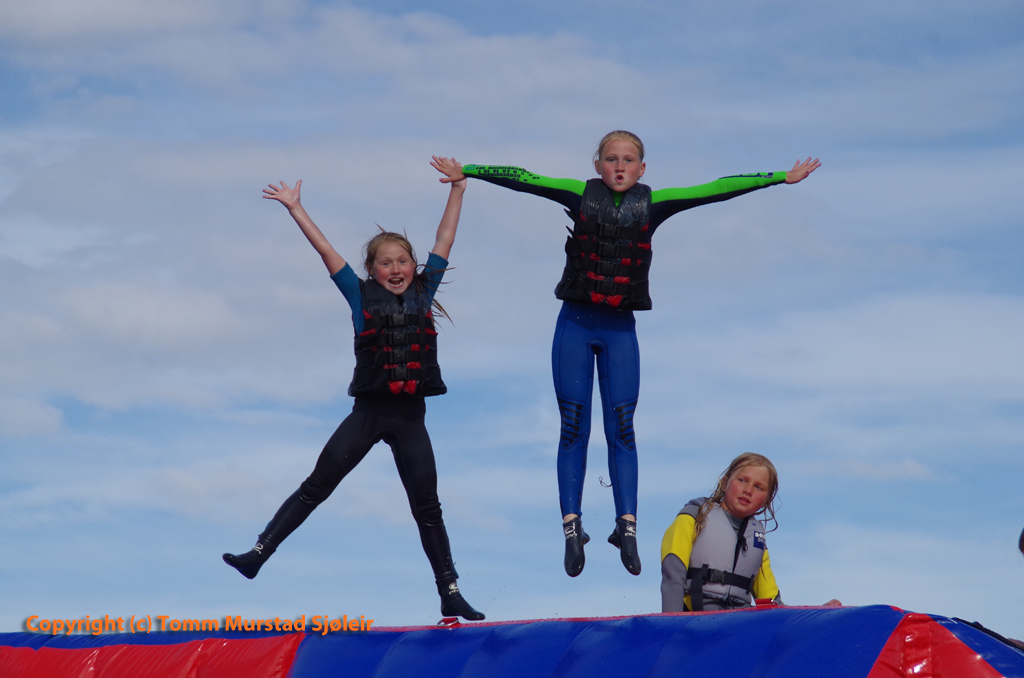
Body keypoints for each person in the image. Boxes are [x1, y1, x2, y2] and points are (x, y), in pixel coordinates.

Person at [433, 132, 820, 578]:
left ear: (642, 168)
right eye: (612, 159)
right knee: (573, 426)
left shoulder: (654, 204)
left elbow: (716, 188)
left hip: (619, 331)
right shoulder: (579, 194)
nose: (620, 166)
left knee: (622, 428)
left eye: (629, 160)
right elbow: (525, 178)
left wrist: (780, 177)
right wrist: (469, 170)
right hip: (576, 326)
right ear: (597, 164)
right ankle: (572, 527)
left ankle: (627, 527)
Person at [223, 157, 484, 621]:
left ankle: (450, 590)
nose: (396, 268)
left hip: (410, 419)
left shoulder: (424, 292)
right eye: (386, 263)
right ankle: (258, 554)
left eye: (403, 261)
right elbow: (325, 250)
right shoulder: (358, 294)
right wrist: (295, 208)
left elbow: (445, 239)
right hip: (367, 415)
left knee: (428, 507)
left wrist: (458, 189)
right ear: (371, 269)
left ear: (414, 266)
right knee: (316, 486)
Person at [660, 452, 841, 612]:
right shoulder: (694, 516)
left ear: (766, 500)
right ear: (725, 483)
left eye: (758, 487)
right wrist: (672, 625)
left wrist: (816, 614)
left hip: (739, 622)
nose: (748, 490)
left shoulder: (757, 539)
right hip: (696, 618)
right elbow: (672, 576)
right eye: (742, 480)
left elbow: (773, 605)